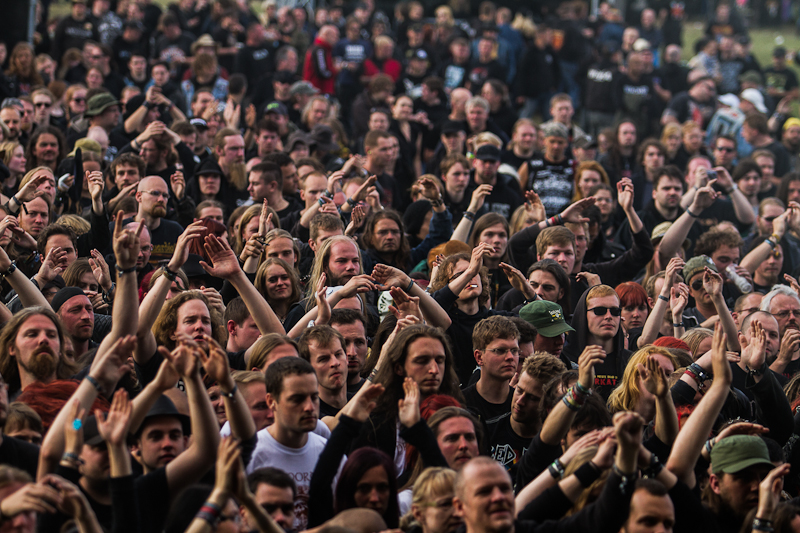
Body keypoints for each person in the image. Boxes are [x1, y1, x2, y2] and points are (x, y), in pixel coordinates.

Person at [247, 356, 331, 531]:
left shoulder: (328, 452)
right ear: (271, 402)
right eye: (297, 399)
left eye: (314, 397)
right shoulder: (252, 454)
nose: (309, 407)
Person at [461, 316, 519, 426]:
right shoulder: (460, 405)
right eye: (500, 350)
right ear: (479, 357)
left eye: (514, 350)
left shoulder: (521, 404)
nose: (510, 357)